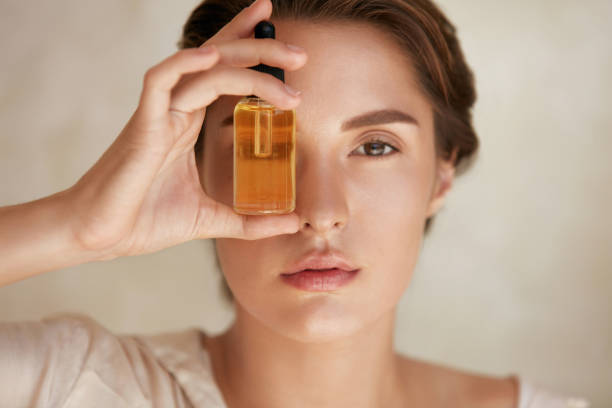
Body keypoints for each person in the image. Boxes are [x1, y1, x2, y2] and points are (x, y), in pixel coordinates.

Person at [0, 0, 591, 407]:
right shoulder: (72, 387)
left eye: (376, 146)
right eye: (266, 144)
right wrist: (79, 225)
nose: (321, 210)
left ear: (441, 177)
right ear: (192, 170)